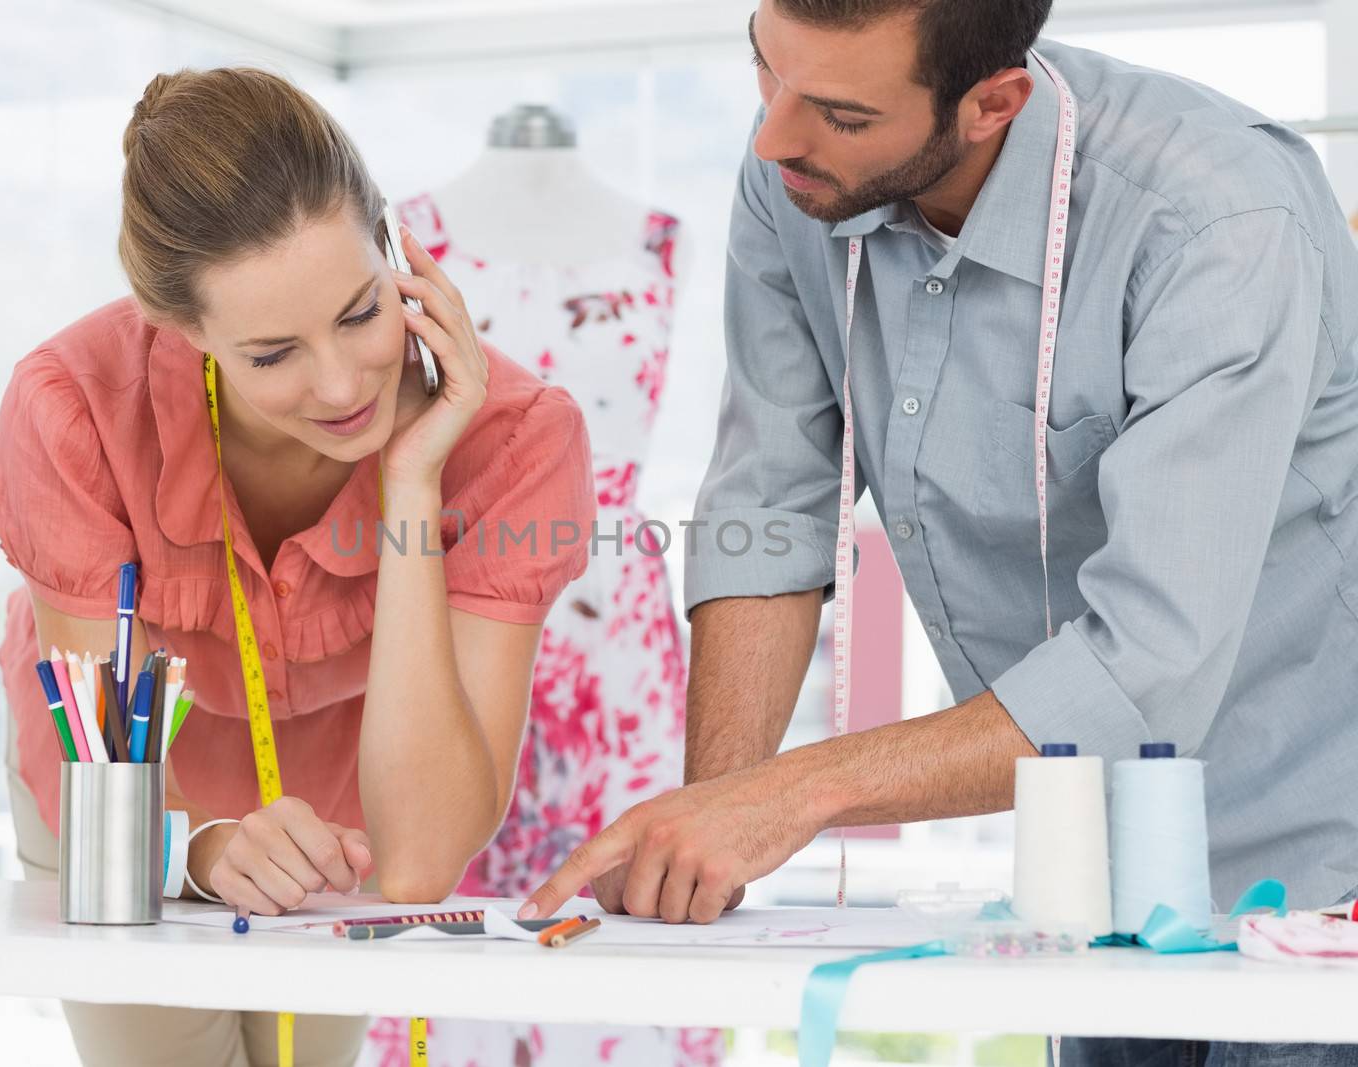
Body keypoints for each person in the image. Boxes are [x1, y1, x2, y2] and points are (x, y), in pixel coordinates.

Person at [522, 2, 1358, 1065]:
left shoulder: (1215, 221)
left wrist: (796, 790)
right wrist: (714, 825)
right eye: (764, 70)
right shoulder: (795, 178)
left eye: (836, 110)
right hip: (1096, 882)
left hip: (1319, 883)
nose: (774, 134)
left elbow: (1150, 662)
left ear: (990, 104)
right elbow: (770, 505)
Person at [0, 67, 594, 1067]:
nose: (345, 382)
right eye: (271, 355)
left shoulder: (513, 440)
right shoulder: (72, 407)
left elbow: (418, 859)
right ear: (181, 330)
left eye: (361, 312)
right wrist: (200, 844)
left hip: (337, 799)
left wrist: (411, 482)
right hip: (113, 789)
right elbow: (98, 751)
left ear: (396, 248)